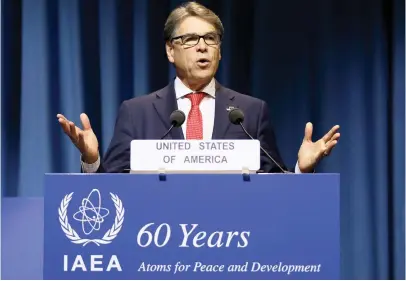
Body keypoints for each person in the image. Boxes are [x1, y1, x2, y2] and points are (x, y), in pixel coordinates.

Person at [56, 1, 340, 173]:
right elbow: (111, 193)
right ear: (170, 51)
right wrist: (91, 160)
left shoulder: (250, 112)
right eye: (191, 39)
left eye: (211, 39)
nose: (202, 47)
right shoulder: (136, 112)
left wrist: (302, 168)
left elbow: (274, 187)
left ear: (220, 50)